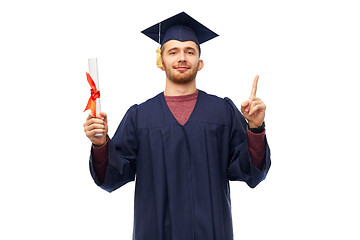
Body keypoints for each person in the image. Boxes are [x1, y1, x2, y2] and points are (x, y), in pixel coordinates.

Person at [83, 12, 271, 240]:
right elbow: (112, 176)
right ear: (161, 62)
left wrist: (255, 129)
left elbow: (251, 172)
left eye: (189, 52)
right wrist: (101, 144)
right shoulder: (140, 117)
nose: (182, 58)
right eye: (173, 52)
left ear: (200, 63)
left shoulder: (223, 112)